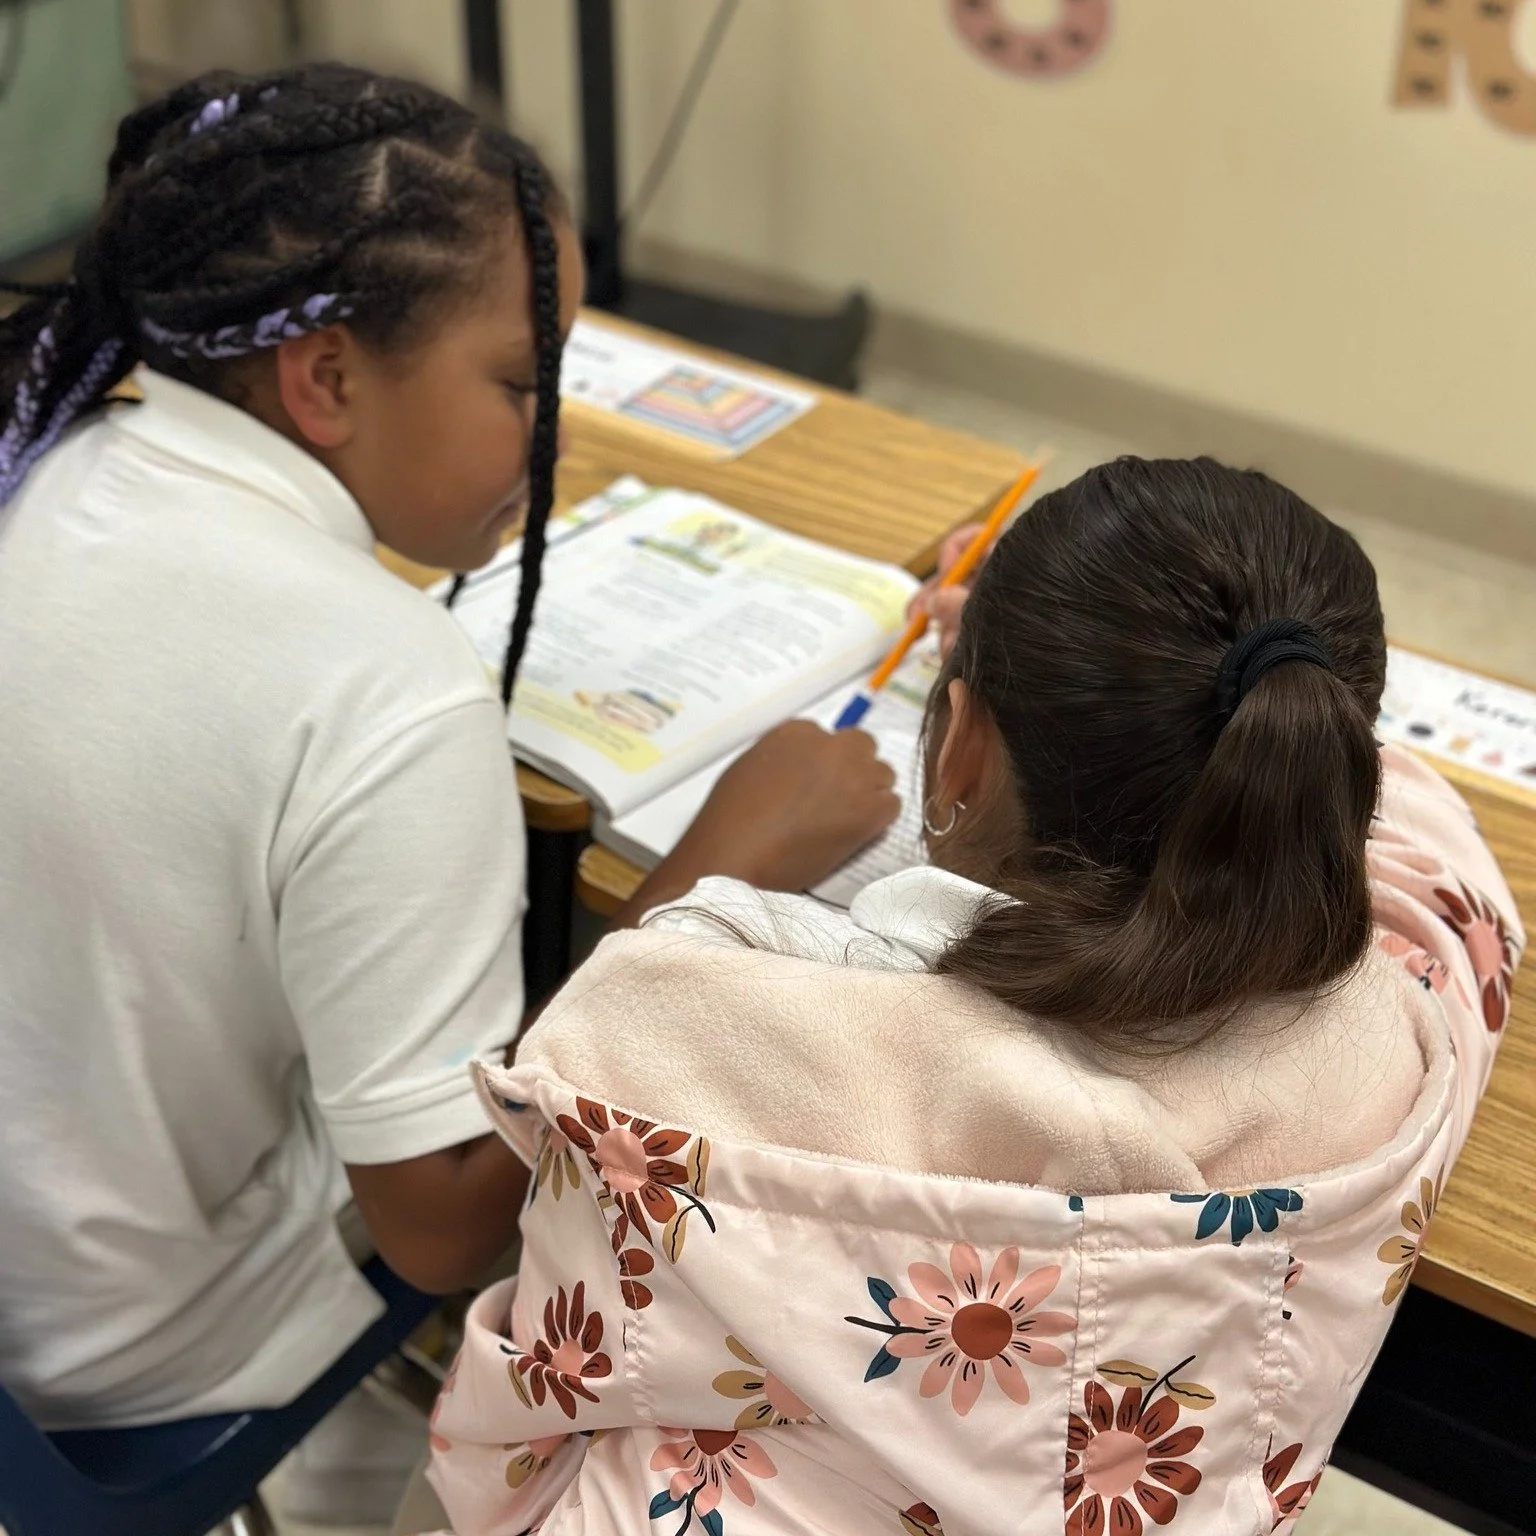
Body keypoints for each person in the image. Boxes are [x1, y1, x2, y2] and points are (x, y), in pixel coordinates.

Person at [0, 59, 897, 1487]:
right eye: (524, 383)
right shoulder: (385, 692)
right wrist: (712, 880)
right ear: (328, 375)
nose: (552, 444)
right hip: (123, 1362)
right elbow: (444, 1227)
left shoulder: (41, 454)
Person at [424, 458, 1522, 1535]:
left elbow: (525, 1415)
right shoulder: (1401, 1030)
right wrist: (1147, 700)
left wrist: (741, 848)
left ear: (957, 753)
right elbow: (1436, 874)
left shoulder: (672, 1041)